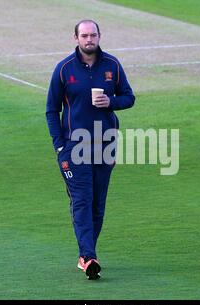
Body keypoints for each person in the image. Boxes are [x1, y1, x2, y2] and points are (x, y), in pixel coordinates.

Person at [45, 20, 135, 280]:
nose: (89, 39)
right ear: (75, 38)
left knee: (97, 204)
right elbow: (52, 109)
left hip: (106, 143)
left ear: (99, 36)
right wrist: (59, 144)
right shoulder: (63, 69)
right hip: (74, 147)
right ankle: (88, 256)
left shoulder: (112, 66)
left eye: (93, 35)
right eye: (84, 35)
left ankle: (86, 256)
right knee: (82, 200)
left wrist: (111, 101)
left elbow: (129, 97)